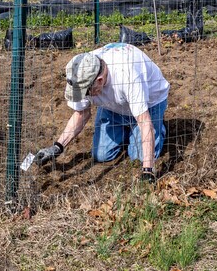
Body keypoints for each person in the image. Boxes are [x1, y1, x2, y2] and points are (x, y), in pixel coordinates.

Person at [35, 42, 170, 182]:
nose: (84, 96)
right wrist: (57, 147)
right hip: (114, 106)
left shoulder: (127, 74)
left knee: (138, 157)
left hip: (150, 104)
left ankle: (158, 128)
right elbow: (81, 113)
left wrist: (147, 170)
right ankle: (127, 129)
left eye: (86, 93)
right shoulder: (81, 73)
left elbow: (144, 121)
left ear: (99, 80)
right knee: (101, 155)